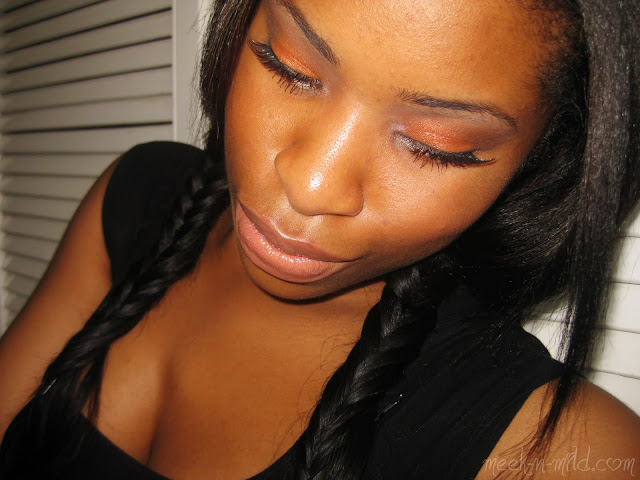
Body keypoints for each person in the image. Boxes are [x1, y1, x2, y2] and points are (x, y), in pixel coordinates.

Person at [0, 0, 639, 478]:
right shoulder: (135, 199)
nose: (310, 185)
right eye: (291, 67)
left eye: (433, 145)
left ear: (545, 161)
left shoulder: (561, 450)